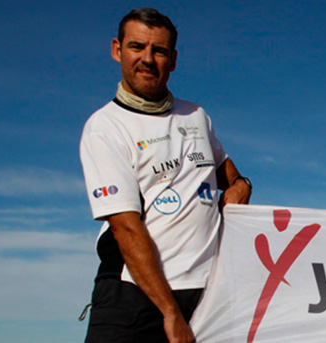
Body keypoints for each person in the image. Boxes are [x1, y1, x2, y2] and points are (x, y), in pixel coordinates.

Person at [79, 8, 252, 343]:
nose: (147, 59)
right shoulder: (105, 127)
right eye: (137, 47)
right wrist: (170, 313)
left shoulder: (196, 116)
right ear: (117, 50)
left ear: (173, 59)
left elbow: (231, 177)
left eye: (158, 51)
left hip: (205, 297)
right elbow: (126, 227)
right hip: (135, 298)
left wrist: (242, 186)